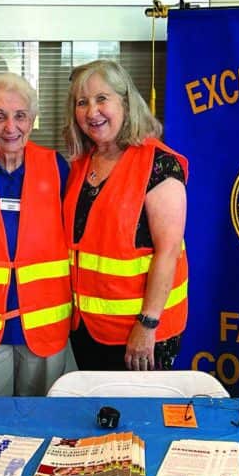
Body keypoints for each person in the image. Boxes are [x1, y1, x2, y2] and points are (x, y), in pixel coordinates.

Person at [62, 59, 188, 371]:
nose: (92, 112)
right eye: (82, 102)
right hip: (88, 328)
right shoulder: (81, 165)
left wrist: (146, 325)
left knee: (139, 418)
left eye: (102, 99)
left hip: (142, 333)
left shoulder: (159, 165)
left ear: (126, 102)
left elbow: (168, 251)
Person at [0, 73, 74, 395]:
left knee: (43, 421)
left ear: (32, 120)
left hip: (44, 323)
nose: (11, 127)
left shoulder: (57, 167)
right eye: (0, 117)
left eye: (20, 116)